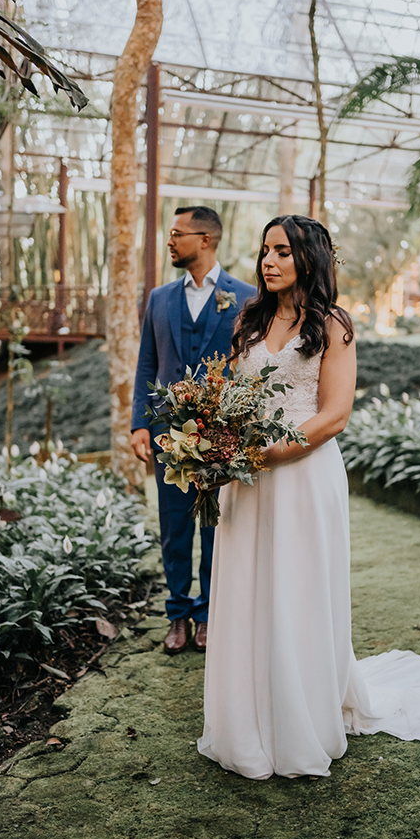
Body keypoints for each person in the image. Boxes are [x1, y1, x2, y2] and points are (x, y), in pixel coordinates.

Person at [198, 214, 420, 780]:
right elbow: (232, 396)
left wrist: (266, 454)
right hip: (248, 481)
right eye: (264, 251)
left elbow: (334, 416)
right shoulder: (250, 322)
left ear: (308, 257)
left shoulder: (333, 325)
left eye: (281, 251)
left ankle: (300, 718)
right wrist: (219, 446)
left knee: (296, 591)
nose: (269, 261)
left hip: (301, 475)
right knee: (248, 589)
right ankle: (247, 719)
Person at [131, 206, 254, 655]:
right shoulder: (160, 298)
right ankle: (179, 615)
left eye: (177, 233)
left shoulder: (246, 296)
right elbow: (147, 362)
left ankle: (209, 615)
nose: (170, 240)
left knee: (216, 527)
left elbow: (253, 368)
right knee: (174, 527)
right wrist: (139, 424)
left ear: (205, 239)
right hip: (168, 434)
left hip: (222, 435)